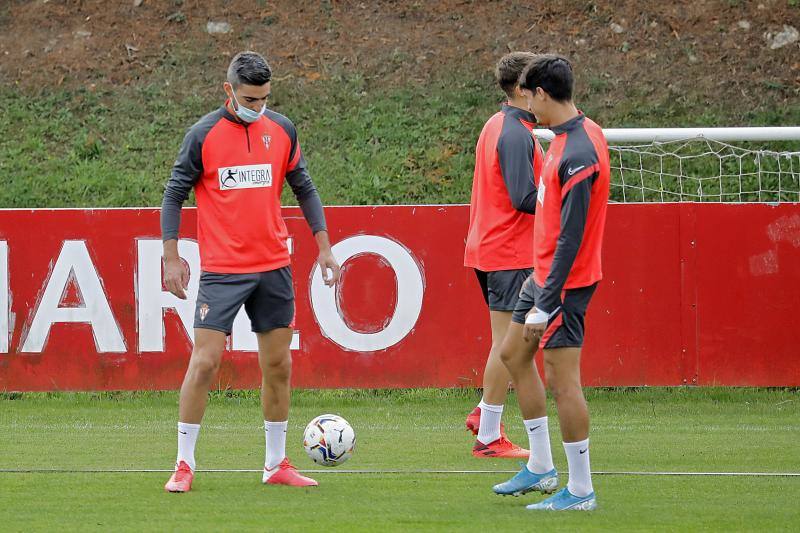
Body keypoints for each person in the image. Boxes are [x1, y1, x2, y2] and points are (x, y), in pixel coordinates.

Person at [160, 51, 341, 492]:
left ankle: (276, 464)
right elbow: (173, 195)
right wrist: (170, 257)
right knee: (205, 363)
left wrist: (324, 248)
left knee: (278, 365)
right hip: (223, 270)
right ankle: (184, 464)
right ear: (229, 91)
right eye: (248, 98)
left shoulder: (282, 129)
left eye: (263, 99)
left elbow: (305, 187)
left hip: (273, 267)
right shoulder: (202, 135)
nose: (257, 107)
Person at [492, 55, 610, 511]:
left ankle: (581, 490)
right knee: (512, 353)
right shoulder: (568, 136)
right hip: (542, 277)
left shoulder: (580, 151)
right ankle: (541, 466)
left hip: (563, 285)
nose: (525, 103)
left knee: (564, 382)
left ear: (541, 93)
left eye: (528, 94)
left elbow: (572, 236)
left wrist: (547, 301)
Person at [463, 52, 544, 458]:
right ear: (522, 90)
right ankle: (489, 436)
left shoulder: (498, 124)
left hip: (491, 248)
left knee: (506, 343)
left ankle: (485, 415)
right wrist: (567, 194)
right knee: (508, 346)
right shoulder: (514, 133)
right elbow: (524, 197)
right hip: (508, 252)